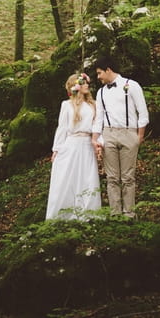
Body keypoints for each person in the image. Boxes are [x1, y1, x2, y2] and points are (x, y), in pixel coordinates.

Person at [91, 55, 149, 218]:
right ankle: (115, 213)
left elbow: (143, 113)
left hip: (129, 134)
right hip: (108, 134)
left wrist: (139, 137)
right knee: (112, 177)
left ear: (108, 70)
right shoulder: (101, 92)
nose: (98, 77)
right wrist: (95, 138)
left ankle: (129, 213)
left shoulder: (132, 86)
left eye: (99, 72)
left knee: (128, 177)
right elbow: (99, 118)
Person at [45, 71, 102, 220]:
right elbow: (62, 128)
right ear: (75, 86)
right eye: (84, 83)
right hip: (71, 145)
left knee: (87, 178)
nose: (87, 85)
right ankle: (64, 214)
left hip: (87, 145)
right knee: (67, 179)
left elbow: (98, 126)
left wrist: (98, 143)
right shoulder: (66, 105)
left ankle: (88, 214)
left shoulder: (93, 105)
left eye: (87, 82)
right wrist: (56, 149)